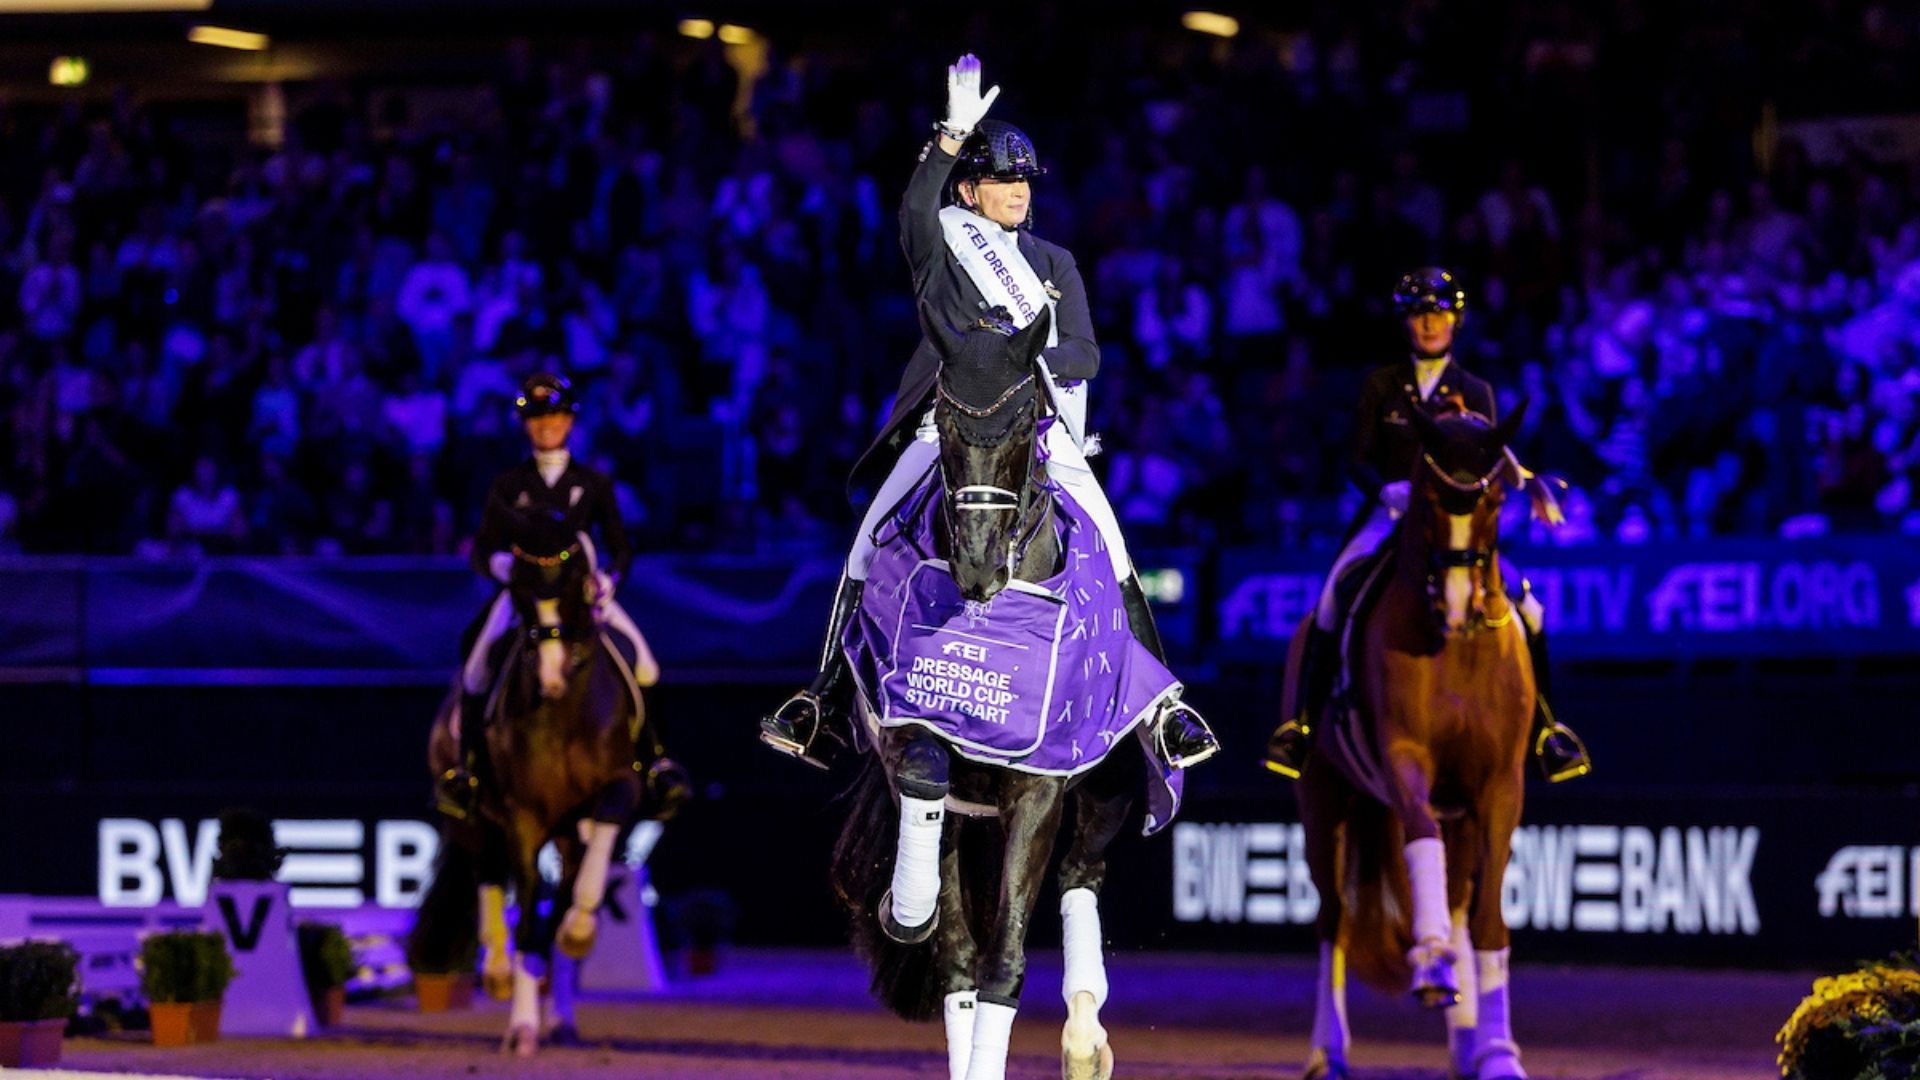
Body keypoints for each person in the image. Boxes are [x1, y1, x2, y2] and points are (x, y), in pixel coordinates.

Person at [760, 54, 1218, 771]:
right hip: (944, 427)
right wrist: (948, 137)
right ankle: (819, 699)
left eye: (1024, 180)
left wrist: (1021, 364)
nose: (1018, 192)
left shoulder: (1054, 263)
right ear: (969, 189)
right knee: (865, 541)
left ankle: (1166, 712)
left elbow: (1088, 355)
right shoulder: (941, 247)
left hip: (1031, 426)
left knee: (1117, 548)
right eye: (1004, 180)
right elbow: (914, 207)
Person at [1262, 268, 1591, 783]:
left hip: (1454, 521)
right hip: (1390, 511)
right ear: (1406, 323)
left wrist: (1526, 484)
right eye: (1419, 314)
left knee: (1530, 607)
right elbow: (1356, 460)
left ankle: (1549, 731)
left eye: (1439, 313)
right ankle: (1301, 726)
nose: (1430, 323)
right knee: (1333, 595)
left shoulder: (1475, 390)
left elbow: (1489, 460)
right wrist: (1384, 490)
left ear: (1455, 321)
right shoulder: (1382, 385)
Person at [437, 372, 664, 815]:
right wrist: (499, 564)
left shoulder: (593, 483)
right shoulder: (509, 485)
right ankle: (468, 768)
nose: (546, 426)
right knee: (477, 663)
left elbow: (621, 547)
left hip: (580, 594)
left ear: (569, 421)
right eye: (537, 418)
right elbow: (482, 547)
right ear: (526, 425)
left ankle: (655, 762)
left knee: (645, 665)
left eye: (554, 416)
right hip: (525, 594)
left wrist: (610, 579)